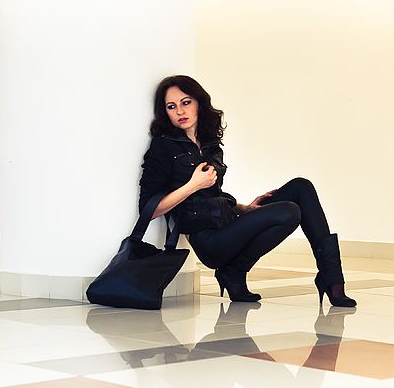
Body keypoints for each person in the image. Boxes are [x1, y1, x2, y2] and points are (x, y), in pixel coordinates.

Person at [138, 75, 356, 307]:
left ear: (199, 103)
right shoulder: (162, 147)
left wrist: (244, 208)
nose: (180, 111)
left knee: (301, 187)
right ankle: (234, 270)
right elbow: (149, 210)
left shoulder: (209, 143)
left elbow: (212, 196)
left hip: (228, 221)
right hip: (209, 241)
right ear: (165, 113)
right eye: (172, 106)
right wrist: (193, 185)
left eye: (186, 102)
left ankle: (331, 277)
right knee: (289, 211)